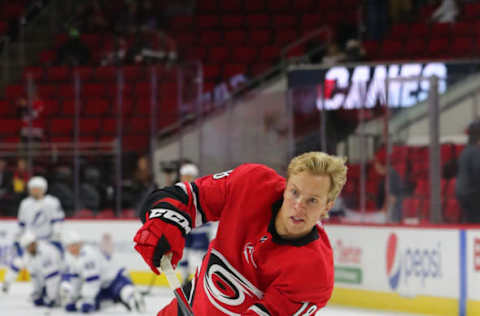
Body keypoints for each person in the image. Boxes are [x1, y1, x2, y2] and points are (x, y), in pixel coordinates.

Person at [133, 152, 347, 315]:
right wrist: (164, 220)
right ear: (285, 186)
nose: (298, 206)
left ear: (327, 206)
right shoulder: (251, 184)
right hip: (189, 304)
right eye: (294, 192)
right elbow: (187, 197)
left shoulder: (314, 274)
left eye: (312, 200)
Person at [2, 176, 65, 291]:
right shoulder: (25, 204)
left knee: (55, 264)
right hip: (31, 241)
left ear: (44, 189)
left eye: (38, 188)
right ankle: (6, 283)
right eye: (33, 188)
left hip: (48, 240)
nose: (35, 191)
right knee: (20, 261)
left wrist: (57, 234)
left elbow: (57, 220)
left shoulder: (52, 202)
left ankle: (61, 288)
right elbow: (22, 223)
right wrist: (18, 236)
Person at [60, 231, 145, 313]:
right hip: (101, 286)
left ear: (80, 244)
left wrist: (88, 299)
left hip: (115, 280)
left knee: (125, 291)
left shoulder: (88, 255)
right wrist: (73, 299)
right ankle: (117, 300)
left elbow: (92, 280)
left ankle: (132, 297)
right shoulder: (73, 258)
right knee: (92, 304)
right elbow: (76, 280)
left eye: (75, 245)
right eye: (70, 246)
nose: (73, 248)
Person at [1, 231, 63, 309]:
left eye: (28, 246)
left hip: (59, 279)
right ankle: (42, 293)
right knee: (37, 300)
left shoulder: (47, 251)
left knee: (54, 301)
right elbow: (16, 266)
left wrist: (52, 297)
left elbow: (53, 275)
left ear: (33, 243)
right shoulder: (28, 253)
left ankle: (55, 295)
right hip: (45, 281)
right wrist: (7, 282)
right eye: (26, 247)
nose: (27, 249)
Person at [176, 163, 213, 284]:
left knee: (200, 256)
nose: (184, 178)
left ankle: (203, 280)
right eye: (183, 176)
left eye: (187, 176)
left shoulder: (201, 188)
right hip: (185, 228)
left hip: (200, 229)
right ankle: (185, 279)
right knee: (183, 254)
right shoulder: (178, 190)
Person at [456, 120, 480, 223]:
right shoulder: (475, 152)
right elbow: (477, 172)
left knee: (470, 219)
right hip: (472, 193)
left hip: (462, 192)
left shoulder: (465, 151)